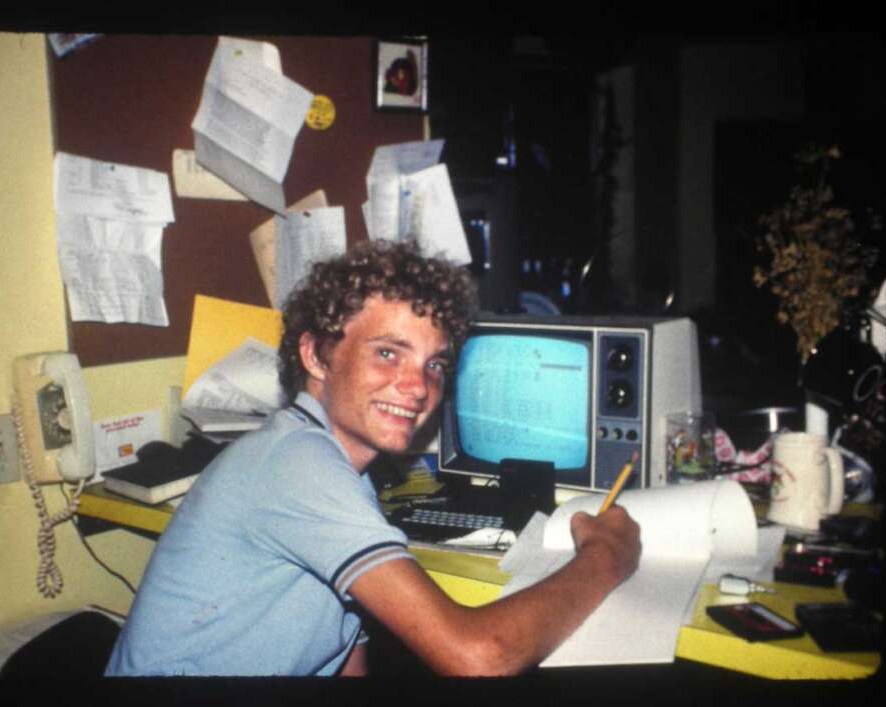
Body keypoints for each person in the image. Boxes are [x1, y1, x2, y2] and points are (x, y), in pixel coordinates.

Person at [105, 239, 640, 677]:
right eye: (388, 353)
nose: (417, 387)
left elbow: (345, 657)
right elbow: (480, 656)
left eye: (434, 365)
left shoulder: (346, 478)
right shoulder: (296, 465)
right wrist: (604, 558)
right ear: (315, 355)